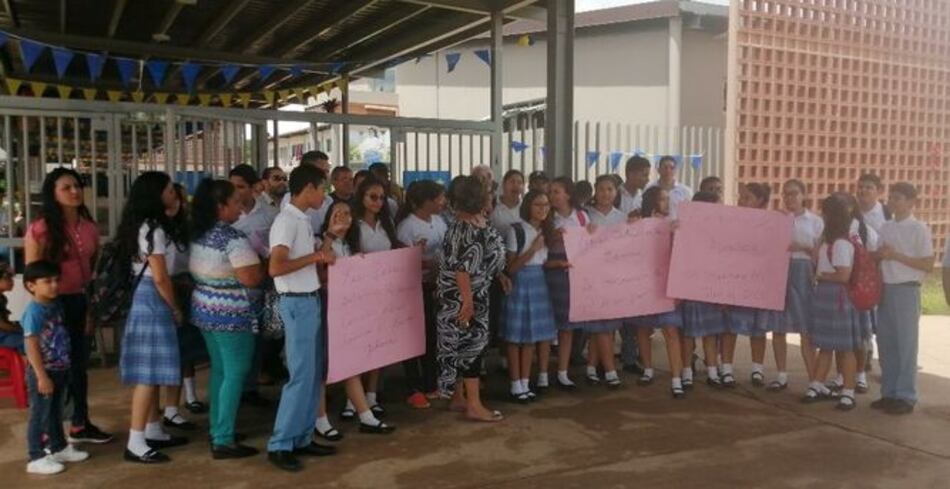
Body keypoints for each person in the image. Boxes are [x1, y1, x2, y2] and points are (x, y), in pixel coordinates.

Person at [24, 167, 112, 444]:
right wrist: (44, 309)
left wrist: (90, 307)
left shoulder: (89, 227)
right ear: (53, 194)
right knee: (55, 369)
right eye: (66, 187)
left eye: (77, 186)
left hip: (80, 301)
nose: (74, 191)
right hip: (52, 305)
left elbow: (92, 265)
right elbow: (32, 273)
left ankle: (79, 423)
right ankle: (49, 432)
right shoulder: (41, 229)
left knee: (78, 365)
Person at [266, 164, 338, 472]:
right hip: (297, 302)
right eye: (322, 188)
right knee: (300, 376)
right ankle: (281, 443)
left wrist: (329, 239)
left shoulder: (302, 220)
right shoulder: (286, 222)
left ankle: (303, 437)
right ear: (308, 188)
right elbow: (276, 267)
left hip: (309, 300)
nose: (325, 195)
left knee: (311, 375)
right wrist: (317, 256)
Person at [189, 179, 265, 459]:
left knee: (220, 371)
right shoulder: (232, 238)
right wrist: (264, 260)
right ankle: (223, 439)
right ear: (220, 207)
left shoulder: (199, 234)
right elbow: (250, 277)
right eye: (235, 202)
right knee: (235, 372)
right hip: (232, 314)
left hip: (205, 309)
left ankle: (219, 428)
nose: (240, 208)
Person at [116, 171, 188, 463]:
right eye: (169, 190)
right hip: (153, 300)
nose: (174, 194)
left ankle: (153, 428)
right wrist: (174, 307)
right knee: (147, 376)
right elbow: (160, 277)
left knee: (153, 370)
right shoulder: (153, 230)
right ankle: (135, 441)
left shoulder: (140, 225)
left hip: (144, 299)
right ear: (156, 195)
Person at [315, 201, 395, 439]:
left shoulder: (350, 244)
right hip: (327, 306)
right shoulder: (320, 241)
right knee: (322, 365)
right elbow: (320, 272)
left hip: (349, 308)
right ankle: (320, 419)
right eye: (337, 212)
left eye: (348, 213)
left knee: (351, 363)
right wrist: (331, 237)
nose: (343, 216)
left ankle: (365, 416)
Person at [437, 175, 510, 422]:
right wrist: (467, 302)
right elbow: (462, 270)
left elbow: (485, 257)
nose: (491, 196)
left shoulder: (474, 223)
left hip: (472, 292)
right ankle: (474, 405)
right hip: (466, 296)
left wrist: (499, 274)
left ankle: (458, 398)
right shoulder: (466, 229)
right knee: (472, 349)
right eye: (487, 192)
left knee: (461, 347)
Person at [22, 260, 91, 475]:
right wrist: (41, 376)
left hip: (60, 369)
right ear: (31, 285)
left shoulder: (55, 305)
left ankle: (58, 447)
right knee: (40, 414)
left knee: (55, 411)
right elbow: (31, 345)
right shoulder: (34, 312)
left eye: (56, 280)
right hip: (44, 372)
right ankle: (35, 456)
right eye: (47, 281)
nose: (54, 285)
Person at [874, 182, 934, 415]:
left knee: (906, 344)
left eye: (898, 198)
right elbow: (879, 256)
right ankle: (888, 392)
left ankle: (906, 395)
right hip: (886, 288)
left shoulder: (919, 229)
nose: (892, 202)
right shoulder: (885, 227)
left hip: (907, 289)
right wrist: (880, 255)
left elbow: (927, 264)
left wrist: (895, 255)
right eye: (891, 197)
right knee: (886, 343)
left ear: (911, 202)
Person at [802, 195, 863, 411]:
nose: (822, 216)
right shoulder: (828, 241)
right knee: (826, 344)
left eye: (824, 212)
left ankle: (848, 391)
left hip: (838, 297)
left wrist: (821, 276)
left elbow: (843, 275)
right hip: (826, 296)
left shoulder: (842, 243)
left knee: (845, 348)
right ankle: (817, 384)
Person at [721, 183, 780, 388]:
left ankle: (757, 369)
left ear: (760, 201)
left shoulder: (773, 223)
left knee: (758, 328)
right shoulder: (731, 222)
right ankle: (726, 369)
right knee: (730, 327)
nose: (741, 201)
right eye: (741, 197)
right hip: (736, 281)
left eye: (747, 198)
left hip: (760, 284)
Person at [396, 181, 448, 409]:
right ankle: (413, 386)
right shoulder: (407, 227)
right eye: (438, 198)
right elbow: (402, 261)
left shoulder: (439, 221)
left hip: (435, 285)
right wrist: (426, 262)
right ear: (425, 202)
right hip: (412, 288)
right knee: (412, 337)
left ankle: (430, 382)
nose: (442, 202)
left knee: (432, 335)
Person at [230, 164, 278, 404]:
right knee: (235, 342)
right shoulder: (225, 214)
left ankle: (250, 387)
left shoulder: (269, 214)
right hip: (231, 286)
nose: (236, 192)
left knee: (257, 339)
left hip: (259, 284)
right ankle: (234, 389)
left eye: (240, 187)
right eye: (232, 187)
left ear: (253, 188)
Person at [503, 190, 557, 401]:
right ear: (528, 206)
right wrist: (533, 249)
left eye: (546, 205)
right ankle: (514, 383)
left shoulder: (547, 230)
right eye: (538, 204)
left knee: (530, 337)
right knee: (515, 336)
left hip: (539, 282)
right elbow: (511, 267)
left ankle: (525, 382)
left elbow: (544, 262)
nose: (543, 209)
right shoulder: (516, 230)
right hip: (520, 282)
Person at [633, 186, 687, 398]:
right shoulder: (638, 222)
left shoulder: (674, 224)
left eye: (667, 199)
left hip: (667, 284)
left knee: (671, 331)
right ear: (653, 202)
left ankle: (676, 378)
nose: (667, 202)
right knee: (643, 329)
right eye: (663, 199)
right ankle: (648, 369)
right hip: (644, 283)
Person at [770, 179, 822, 392]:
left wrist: (803, 247)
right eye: (786, 194)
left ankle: (813, 379)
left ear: (803, 195)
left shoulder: (815, 221)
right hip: (780, 272)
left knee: (805, 328)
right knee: (778, 326)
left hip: (803, 271)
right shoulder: (777, 220)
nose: (789, 197)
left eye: (794, 193)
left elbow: (821, 254)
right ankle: (781, 375)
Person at [161, 184, 204, 432]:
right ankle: (169, 408)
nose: (178, 204)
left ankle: (185, 399)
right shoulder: (155, 230)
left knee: (186, 348)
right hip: (167, 290)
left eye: (180, 199)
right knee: (171, 352)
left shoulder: (186, 228)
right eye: (172, 198)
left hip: (187, 287)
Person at [582, 176, 628, 389]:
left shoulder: (622, 217)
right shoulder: (586, 215)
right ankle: (610, 370)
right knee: (600, 324)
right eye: (601, 189)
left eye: (610, 189)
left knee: (606, 326)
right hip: (592, 277)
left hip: (614, 278)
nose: (606, 193)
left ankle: (591, 367)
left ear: (616, 192)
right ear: (595, 191)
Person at [680, 191, 729, 387]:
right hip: (691, 288)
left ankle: (712, 372)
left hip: (712, 289)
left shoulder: (722, 232)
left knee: (711, 332)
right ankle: (686, 371)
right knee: (689, 334)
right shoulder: (684, 229)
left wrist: (723, 291)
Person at [545, 177, 587, 389]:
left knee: (567, 327)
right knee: (546, 326)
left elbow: (588, 244)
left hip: (572, 274)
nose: (552, 196)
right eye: (551, 192)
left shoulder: (581, 216)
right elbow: (538, 246)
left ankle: (562, 371)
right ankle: (542, 372)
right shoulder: (547, 216)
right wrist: (553, 237)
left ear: (568, 194)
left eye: (556, 191)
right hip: (549, 273)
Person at [490, 169, 525, 239]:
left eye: (519, 182)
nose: (516, 185)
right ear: (503, 184)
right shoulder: (492, 204)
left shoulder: (525, 207)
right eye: (512, 181)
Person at [0, 263, 23, 353]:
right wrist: (18, 329)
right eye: (7, 278)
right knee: (27, 341)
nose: (12, 282)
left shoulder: (2, 298)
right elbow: (2, 325)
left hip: (4, 333)